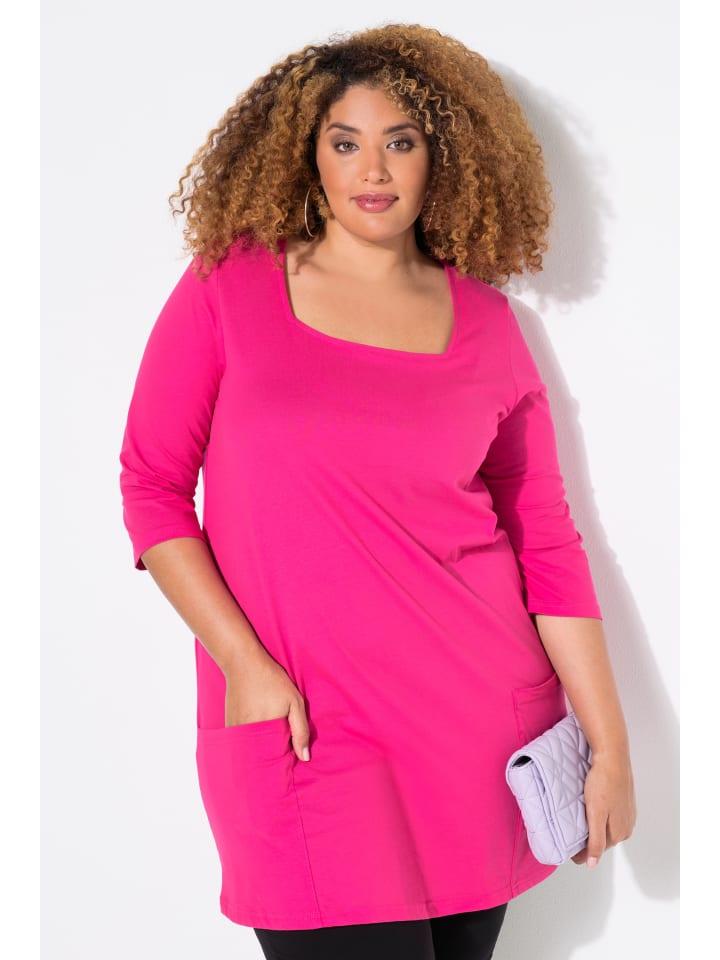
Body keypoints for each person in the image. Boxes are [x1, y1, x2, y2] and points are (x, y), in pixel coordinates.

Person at [118, 23, 636, 960]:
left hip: (473, 732)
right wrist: (243, 664)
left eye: (401, 141)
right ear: (305, 154)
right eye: (345, 141)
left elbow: (547, 544)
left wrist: (611, 744)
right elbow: (152, 486)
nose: (374, 169)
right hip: (302, 731)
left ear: (445, 157)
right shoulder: (229, 287)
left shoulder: (488, 325)